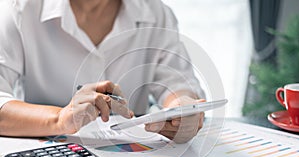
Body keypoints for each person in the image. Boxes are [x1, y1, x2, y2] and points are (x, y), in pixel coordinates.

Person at [0, 0, 205, 143]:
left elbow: (178, 83)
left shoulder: (155, 11)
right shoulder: (20, 8)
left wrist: (182, 110)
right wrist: (60, 119)